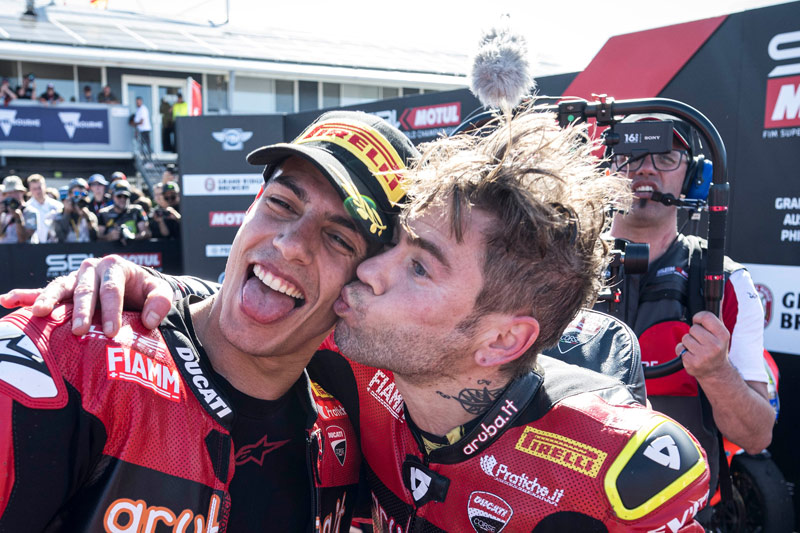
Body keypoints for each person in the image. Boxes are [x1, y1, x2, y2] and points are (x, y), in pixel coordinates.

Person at [4, 108, 712, 531]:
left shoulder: (619, 473)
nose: (291, 246)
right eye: (280, 203)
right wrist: (148, 286)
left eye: (347, 241)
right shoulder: (84, 350)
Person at [0, 110, 418, 532]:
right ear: (253, 206)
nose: (291, 244)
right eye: (281, 203)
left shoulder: (359, 411)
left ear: (367, 283)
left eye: (339, 238)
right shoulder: (72, 355)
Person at [600, 114, 774, 510]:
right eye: (630, 155)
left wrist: (717, 373)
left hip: (679, 512)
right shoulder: (557, 268)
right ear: (606, 172)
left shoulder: (729, 283)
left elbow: (757, 436)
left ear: (694, 176)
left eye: (664, 156)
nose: (645, 167)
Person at [0, 175, 38, 243]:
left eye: (14, 192)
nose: (10, 195)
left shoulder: (30, 212)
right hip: (5, 252)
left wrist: (18, 218)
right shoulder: (4, 212)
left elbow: (23, 239)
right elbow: (1, 235)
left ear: (22, 192)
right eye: (7, 193)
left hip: (24, 252)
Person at [25, 174, 63, 243]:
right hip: (33, 247)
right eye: (34, 189)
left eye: (39, 188)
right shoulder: (26, 207)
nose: (38, 191)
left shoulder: (57, 205)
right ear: (30, 189)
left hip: (54, 245)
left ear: (45, 186)